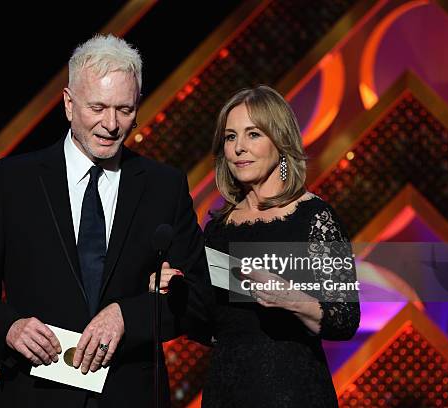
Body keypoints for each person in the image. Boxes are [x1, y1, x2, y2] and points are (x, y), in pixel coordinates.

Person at [0, 34, 210, 408]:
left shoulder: (164, 187)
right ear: (69, 104)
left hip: (129, 396)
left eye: (124, 109)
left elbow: (198, 298)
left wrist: (127, 316)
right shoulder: (12, 181)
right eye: (98, 107)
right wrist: (9, 327)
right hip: (36, 395)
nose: (111, 124)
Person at [151, 85, 360, 407]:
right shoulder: (218, 228)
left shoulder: (314, 217)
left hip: (293, 390)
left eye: (253, 135)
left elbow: (345, 318)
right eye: (230, 137)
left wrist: (292, 299)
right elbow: (208, 324)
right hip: (227, 390)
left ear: (281, 141)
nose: (239, 148)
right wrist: (174, 289)